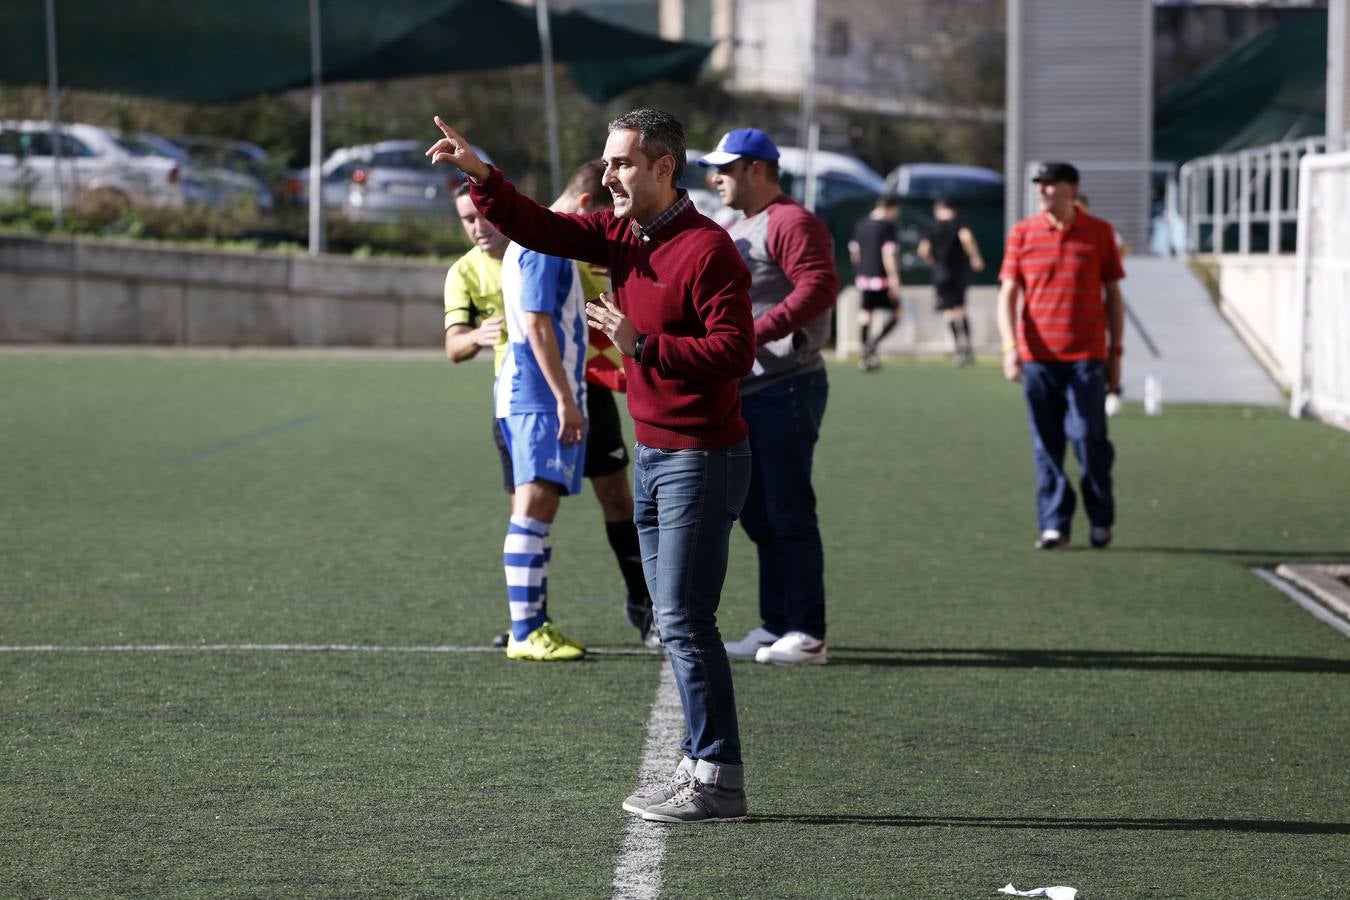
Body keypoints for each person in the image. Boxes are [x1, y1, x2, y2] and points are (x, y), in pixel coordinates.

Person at [428, 108, 756, 823]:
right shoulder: (619, 234)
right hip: (656, 454)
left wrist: (643, 347)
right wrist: (481, 173)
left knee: (684, 618)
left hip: (704, 458)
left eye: (622, 163)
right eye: (606, 163)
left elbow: (735, 353)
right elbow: (540, 228)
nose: (608, 175)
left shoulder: (708, 251)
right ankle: (699, 763)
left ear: (663, 168)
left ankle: (718, 777)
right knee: (677, 619)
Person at [444, 182, 658, 649]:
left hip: (558, 389)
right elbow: (537, 323)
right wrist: (564, 398)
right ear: (585, 206)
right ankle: (526, 628)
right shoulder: (544, 244)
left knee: (552, 503)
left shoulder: (545, 241)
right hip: (541, 393)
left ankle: (536, 623)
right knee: (534, 504)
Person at [699, 127, 839, 666]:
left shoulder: (791, 221)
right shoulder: (738, 222)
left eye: (727, 169)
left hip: (786, 386)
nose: (717, 179)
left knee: (788, 509)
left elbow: (820, 287)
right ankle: (776, 622)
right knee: (757, 513)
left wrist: (752, 333)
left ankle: (808, 630)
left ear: (757, 169)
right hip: (749, 389)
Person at [997, 161, 1125, 551]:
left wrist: (1115, 352)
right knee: (1046, 443)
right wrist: (1009, 347)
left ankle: (1101, 518)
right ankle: (1054, 523)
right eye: (1039, 183)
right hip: (1037, 358)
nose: (1042, 190)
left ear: (1071, 189)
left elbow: (1114, 297)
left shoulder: (1100, 233)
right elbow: (1008, 295)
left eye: (1050, 184)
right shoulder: (1022, 233)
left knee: (1088, 437)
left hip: (1087, 355)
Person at [917, 196, 985, 366]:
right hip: (958, 272)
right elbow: (967, 238)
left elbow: (923, 250)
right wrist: (975, 257)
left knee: (948, 311)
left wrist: (933, 262)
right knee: (961, 309)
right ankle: (967, 348)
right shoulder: (959, 223)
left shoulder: (932, 226)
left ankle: (958, 349)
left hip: (940, 274)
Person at [848, 193, 903, 371]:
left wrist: (861, 270)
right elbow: (888, 254)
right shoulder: (887, 226)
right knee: (896, 314)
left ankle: (865, 355)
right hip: (883, 279)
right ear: (892, 208)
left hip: (864, 278)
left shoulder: (861, 224)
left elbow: (854, 253)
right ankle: (873, 343)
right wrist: (894, 279)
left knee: (866, 314)